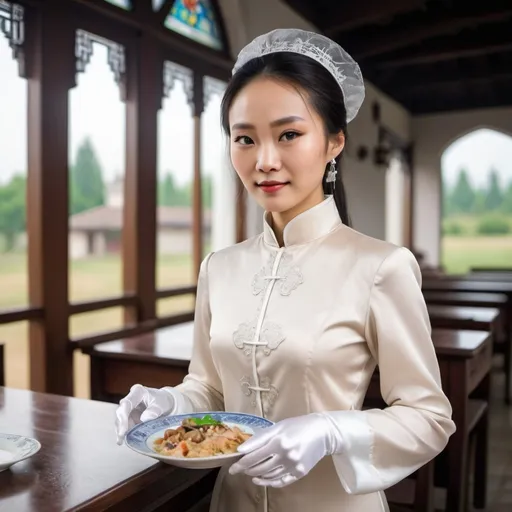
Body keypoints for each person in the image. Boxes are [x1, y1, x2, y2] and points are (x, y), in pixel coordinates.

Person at [115, 28, 455, 512]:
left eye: (289, 134)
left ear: (334, 142)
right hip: (232, 501)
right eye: (245, 139)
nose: (265, 161)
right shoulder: (220, 267)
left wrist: (332, 429)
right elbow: (210, 388)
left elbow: (429, 417)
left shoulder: (381, 266)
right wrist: (168, 404)